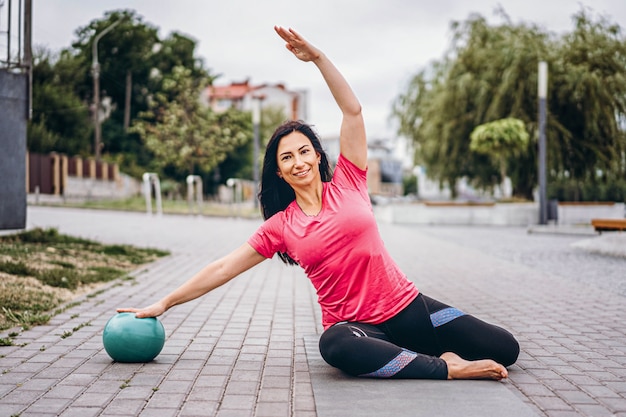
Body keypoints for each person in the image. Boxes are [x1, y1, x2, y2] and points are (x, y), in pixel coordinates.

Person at [119, 26, 519, 380]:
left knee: (506, 348)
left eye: (304, 152)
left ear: (317, 155)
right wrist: (166, 302)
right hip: (356, 328)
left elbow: (353, 110)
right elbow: (224, 267)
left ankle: (416, 355)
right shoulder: (281, 226)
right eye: (287, 158)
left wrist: (318, 59)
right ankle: (444, 367)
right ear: (278, 172)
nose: (298, 162)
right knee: (336, 346)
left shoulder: (349, 180)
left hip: (408, 308)